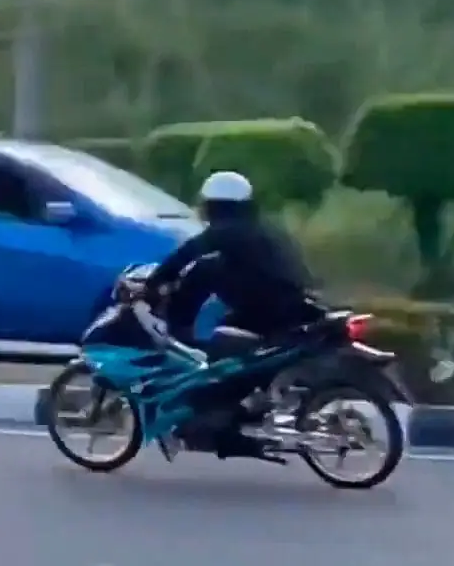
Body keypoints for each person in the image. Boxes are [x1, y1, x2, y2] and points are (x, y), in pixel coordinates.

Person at [129, 170, 326, 458]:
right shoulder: (260, 229)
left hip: (270, 309)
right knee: (210, 276)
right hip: (293, 304)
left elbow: (187, 253)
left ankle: (222, 408)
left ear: (215, 205)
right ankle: (244, 400)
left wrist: (153, 283)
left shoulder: (228, 231)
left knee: (223, 343)